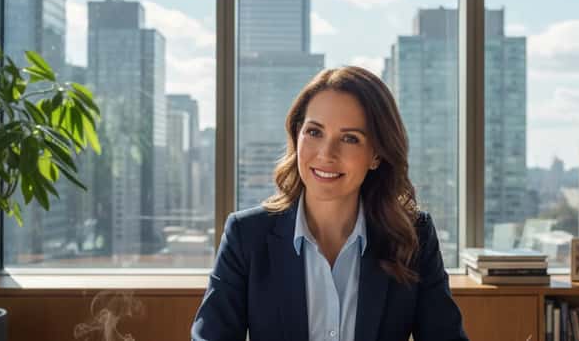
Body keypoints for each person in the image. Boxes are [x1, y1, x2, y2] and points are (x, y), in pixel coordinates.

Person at [191, 66, 468, 341]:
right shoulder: (246, 234)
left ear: (376, 155)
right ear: (297, 134)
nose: (326, 154)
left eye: (350, 138)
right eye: (314, 132)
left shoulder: (414, 237)